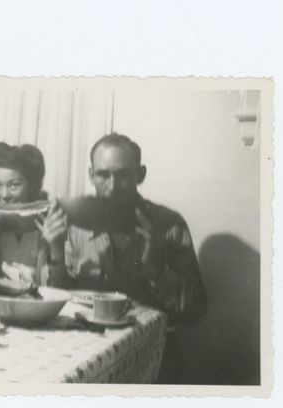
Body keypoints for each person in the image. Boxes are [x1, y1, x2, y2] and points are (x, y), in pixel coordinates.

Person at [40, 133, 208, 383]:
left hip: (153, 355)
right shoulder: (72, 224)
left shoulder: (168, 224)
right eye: (103, 175)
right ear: (90, 175)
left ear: (140, 175)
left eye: (123, 175)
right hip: (86, 351)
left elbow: (196, 312)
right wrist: (54, 251)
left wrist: (157, 269)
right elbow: (55, 303)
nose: (112, 187)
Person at [0, 142, 49, 284]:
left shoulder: (45, 219)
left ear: (31, 186)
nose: (4, 195)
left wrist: (46, 243)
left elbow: (45, 285)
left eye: (14, 185)